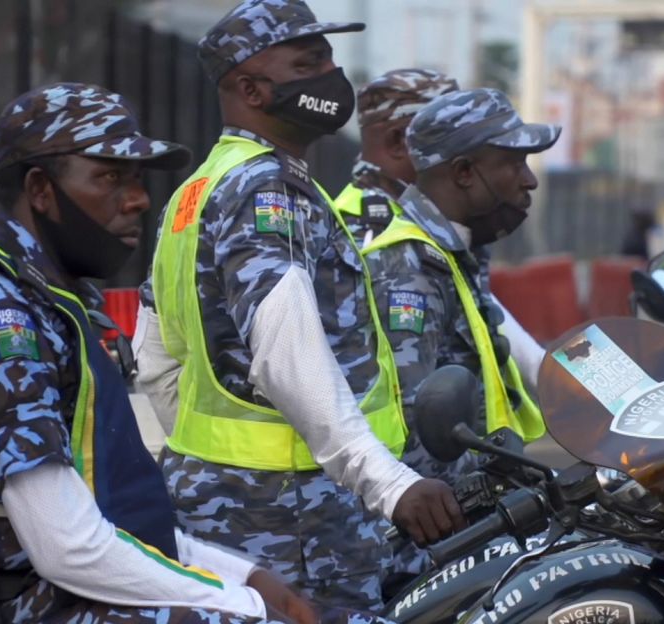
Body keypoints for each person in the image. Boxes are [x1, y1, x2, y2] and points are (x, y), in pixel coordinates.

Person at [0, 82, 328, 624]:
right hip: (39, 606)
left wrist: (247, 577)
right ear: (40, 189)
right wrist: (243, 604)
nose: (139, 199)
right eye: (109, 177)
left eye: (137, 179)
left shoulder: (58, 304)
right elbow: (67, 547)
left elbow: (120, 518)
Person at [140, 0, 464, 612]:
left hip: (221, 502)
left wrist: (219, 464)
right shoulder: (269, 188)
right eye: (308, 61)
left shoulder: (196, 191)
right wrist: (388, 482)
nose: (331, 75)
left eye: (330, 58)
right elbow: (285, 351)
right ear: (250, 88)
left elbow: (156, 360)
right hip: (296, 518)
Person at [361, 88, 559, 576]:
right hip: (432, 542)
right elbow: (416, 427)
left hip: (478, 513)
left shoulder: (451, 255)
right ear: (465, 173)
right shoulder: (409, 269)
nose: (529, 181)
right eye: (514, 164)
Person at [334, 69, 458, 244]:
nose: (461, 149)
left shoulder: (424, 214)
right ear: (398, 141)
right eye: (446, 135)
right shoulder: (368, 231)